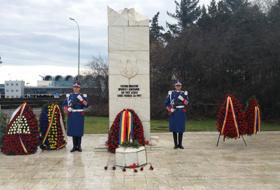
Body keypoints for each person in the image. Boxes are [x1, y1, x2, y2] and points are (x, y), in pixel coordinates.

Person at [63, 82, 88, 152]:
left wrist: (82, 100)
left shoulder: (83, 96)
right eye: (75, 87)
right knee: (73, 131)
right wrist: (67, 109)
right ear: (73, 88)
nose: (76, 88)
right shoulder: (69, 97)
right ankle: (74, 146)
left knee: (79, 131)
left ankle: (79, 146)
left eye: (77, 87)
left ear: (79, 88)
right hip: (72, 115)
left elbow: (86, 105)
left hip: (79, 115)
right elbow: (64, 105)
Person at [165, 81, 189, 149]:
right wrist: (170, 109)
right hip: (174, 112)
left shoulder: (184, 93)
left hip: (181, 112)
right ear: (175, 86)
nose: (178, 87)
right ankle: (175, 144)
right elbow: (166, 103)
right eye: (177, 86)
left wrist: (182, 98)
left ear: (181, 86)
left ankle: (180, 144)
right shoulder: (171, 93)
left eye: (179, 86)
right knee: (174, 128)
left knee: (181, 128)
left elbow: (187, 103)